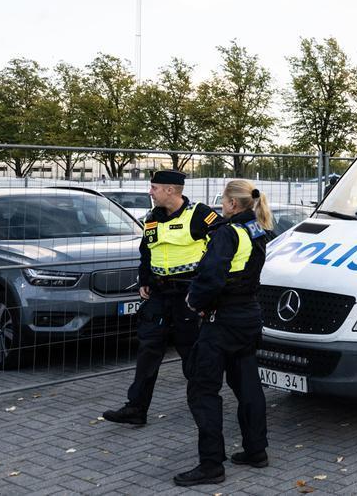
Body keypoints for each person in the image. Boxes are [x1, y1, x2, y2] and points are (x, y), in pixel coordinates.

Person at [173, 179, 272, 486]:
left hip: (223, 321)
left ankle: (211, 465)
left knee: (202, 390)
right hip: (249, 317)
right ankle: (256, 451)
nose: (220, 207)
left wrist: (195, 302)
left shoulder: (227, 233)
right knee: (248, 386)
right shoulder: (259, 230)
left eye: (223, 202)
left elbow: (212, 276)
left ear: (231, 204)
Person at [103, 170, 220, 426]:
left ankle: (204, 408)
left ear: (170, 190)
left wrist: (205, 286)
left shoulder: (199, 214)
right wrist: (144, 279)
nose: (150, 192)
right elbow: (146, 250)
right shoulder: (152, 218)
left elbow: (221, 248)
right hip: (158, 294)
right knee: (147, 349)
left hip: (188, 295)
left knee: (192, 353)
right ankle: (136, 408)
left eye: (154, 187)